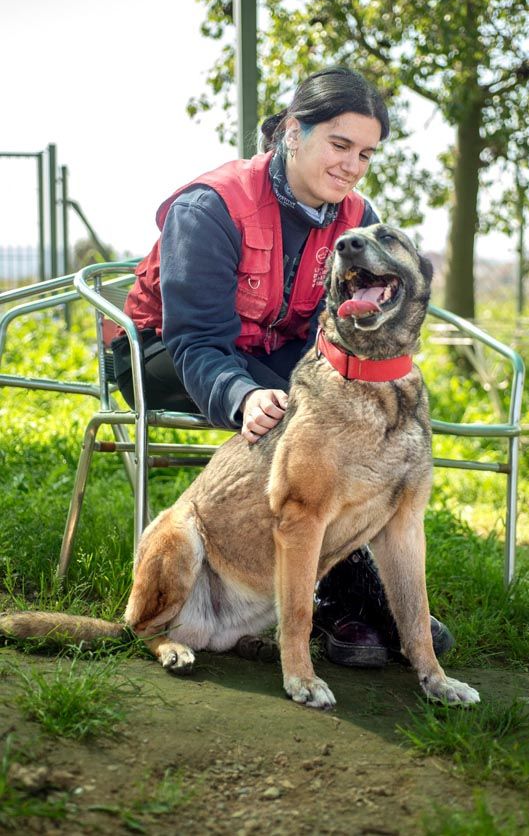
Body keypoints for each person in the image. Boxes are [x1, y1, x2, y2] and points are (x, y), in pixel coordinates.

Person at [112, 66, 454, 667]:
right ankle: (344, 600)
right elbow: (196, 341)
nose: (352, 166)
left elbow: (342, 328)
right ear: (293, 132)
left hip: (275, 354)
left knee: (350, 423)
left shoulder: (355, 219)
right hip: (164, 351)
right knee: (317, 429)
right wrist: (243, 396)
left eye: (366, 153)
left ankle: (354, 594)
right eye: (340, 144)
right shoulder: (210, 206)